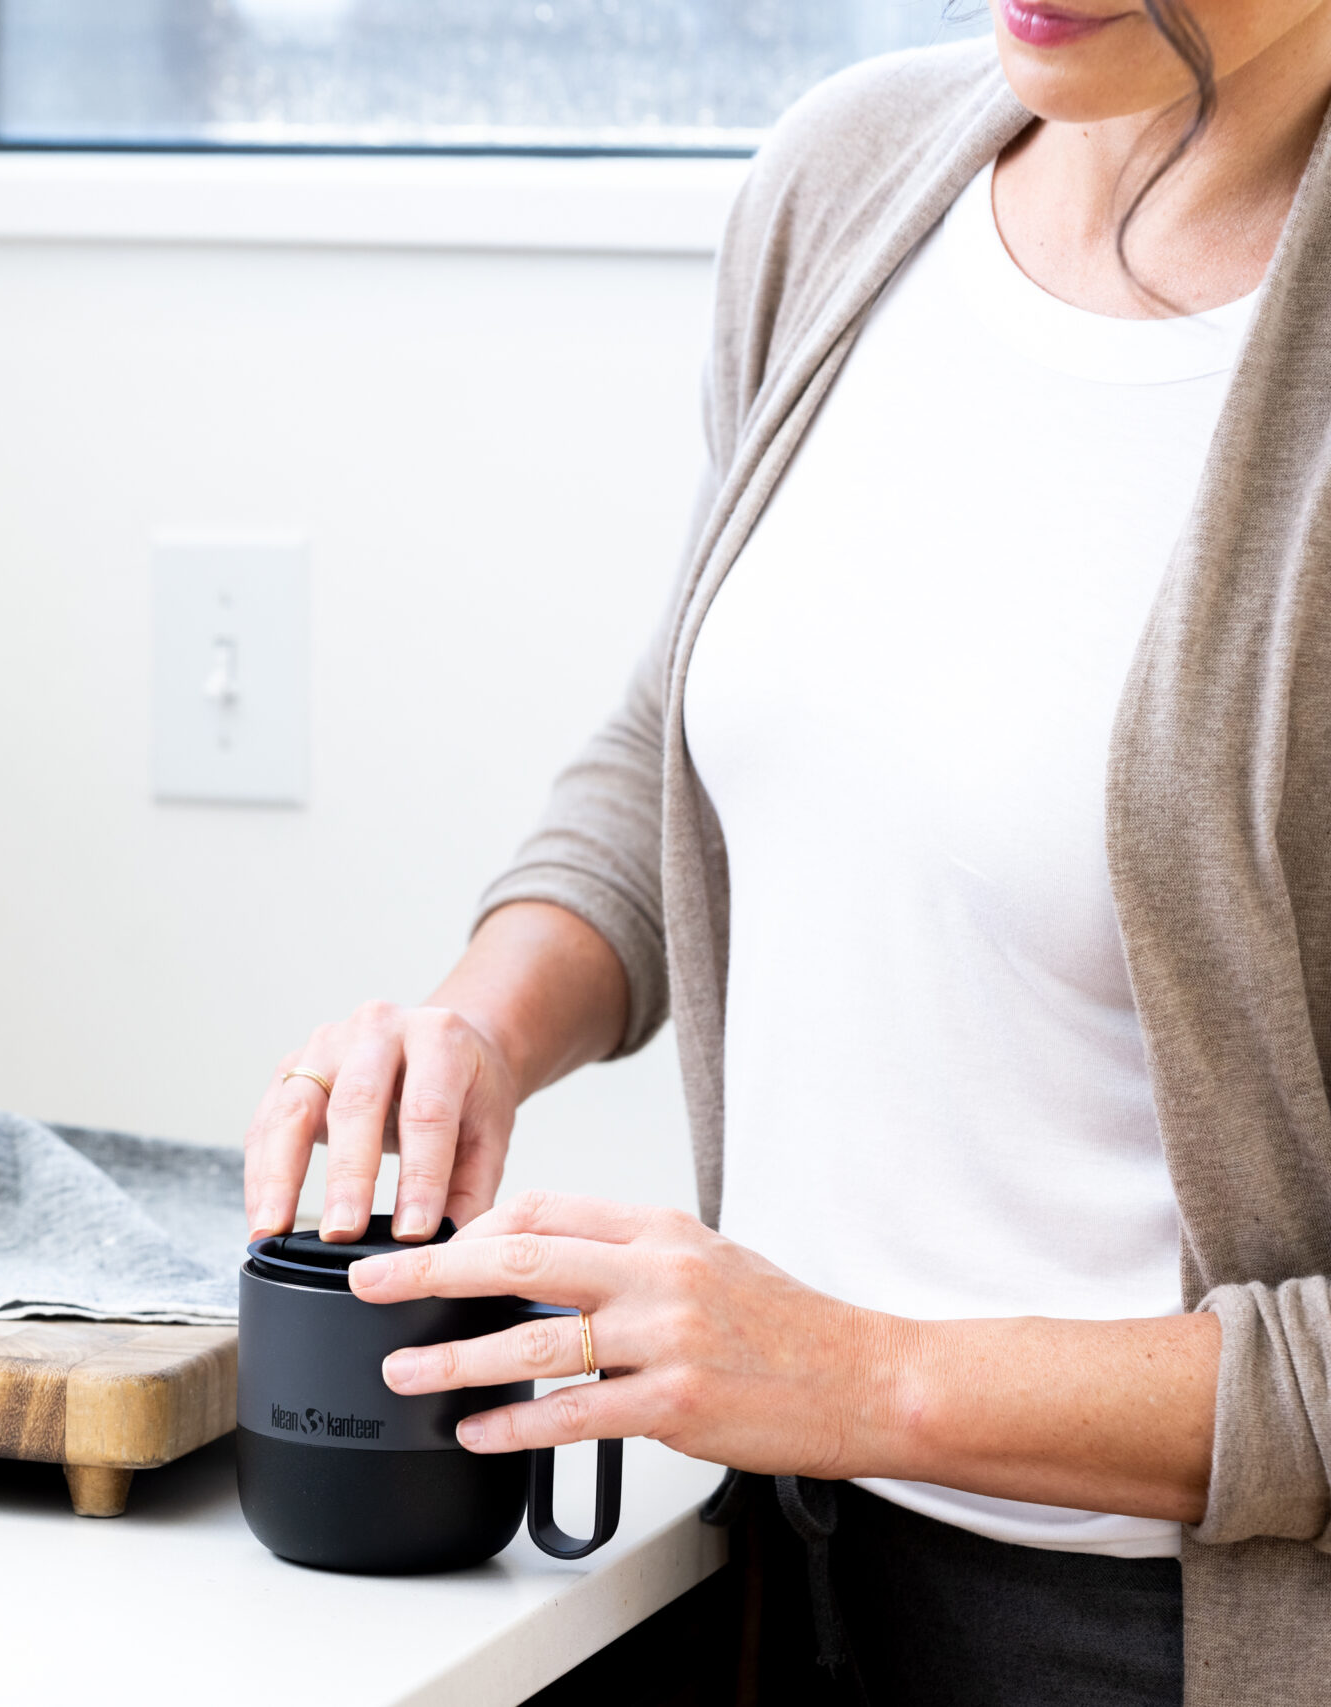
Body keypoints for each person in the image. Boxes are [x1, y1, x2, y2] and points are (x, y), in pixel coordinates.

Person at [241, 4, 1331, 1702]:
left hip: (1163, 1643)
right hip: (773, 1558)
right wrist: (479, 1021)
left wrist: (859, 1375)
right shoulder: (852, 180)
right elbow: (677, 739)